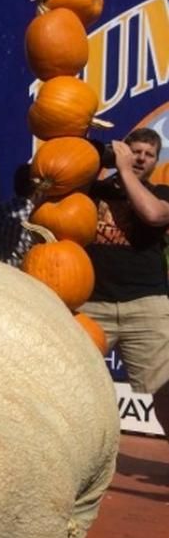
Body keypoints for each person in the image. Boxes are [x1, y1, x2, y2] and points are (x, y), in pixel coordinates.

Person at [79, 128, 169, 442]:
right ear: (124, 152)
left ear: (157, 161)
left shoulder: (161, 194)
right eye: (137, 151)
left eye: (150, 154)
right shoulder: (93, 191)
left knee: (166, 392)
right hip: (92, 304)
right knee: (70, 383)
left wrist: (126, 170)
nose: (142, 158)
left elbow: (153, 215)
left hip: (147, 304)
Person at [0, 163, 37, 267]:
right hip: (22, 272)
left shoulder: (1, 209)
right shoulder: (34, 215)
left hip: (0, 269)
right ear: (36, 189)